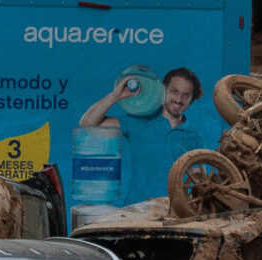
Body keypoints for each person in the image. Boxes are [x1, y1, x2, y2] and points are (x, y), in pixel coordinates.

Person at [78, 67, 209, 207]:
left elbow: (198, 184)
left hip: (173, 216)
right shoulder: (138, 121)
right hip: (134, 213)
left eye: (186, 95)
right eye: (174, 91)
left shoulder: (195, 137)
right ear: (163, 90)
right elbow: (87, 124)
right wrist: (115, 96)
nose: (178, 99)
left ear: (191, 99)